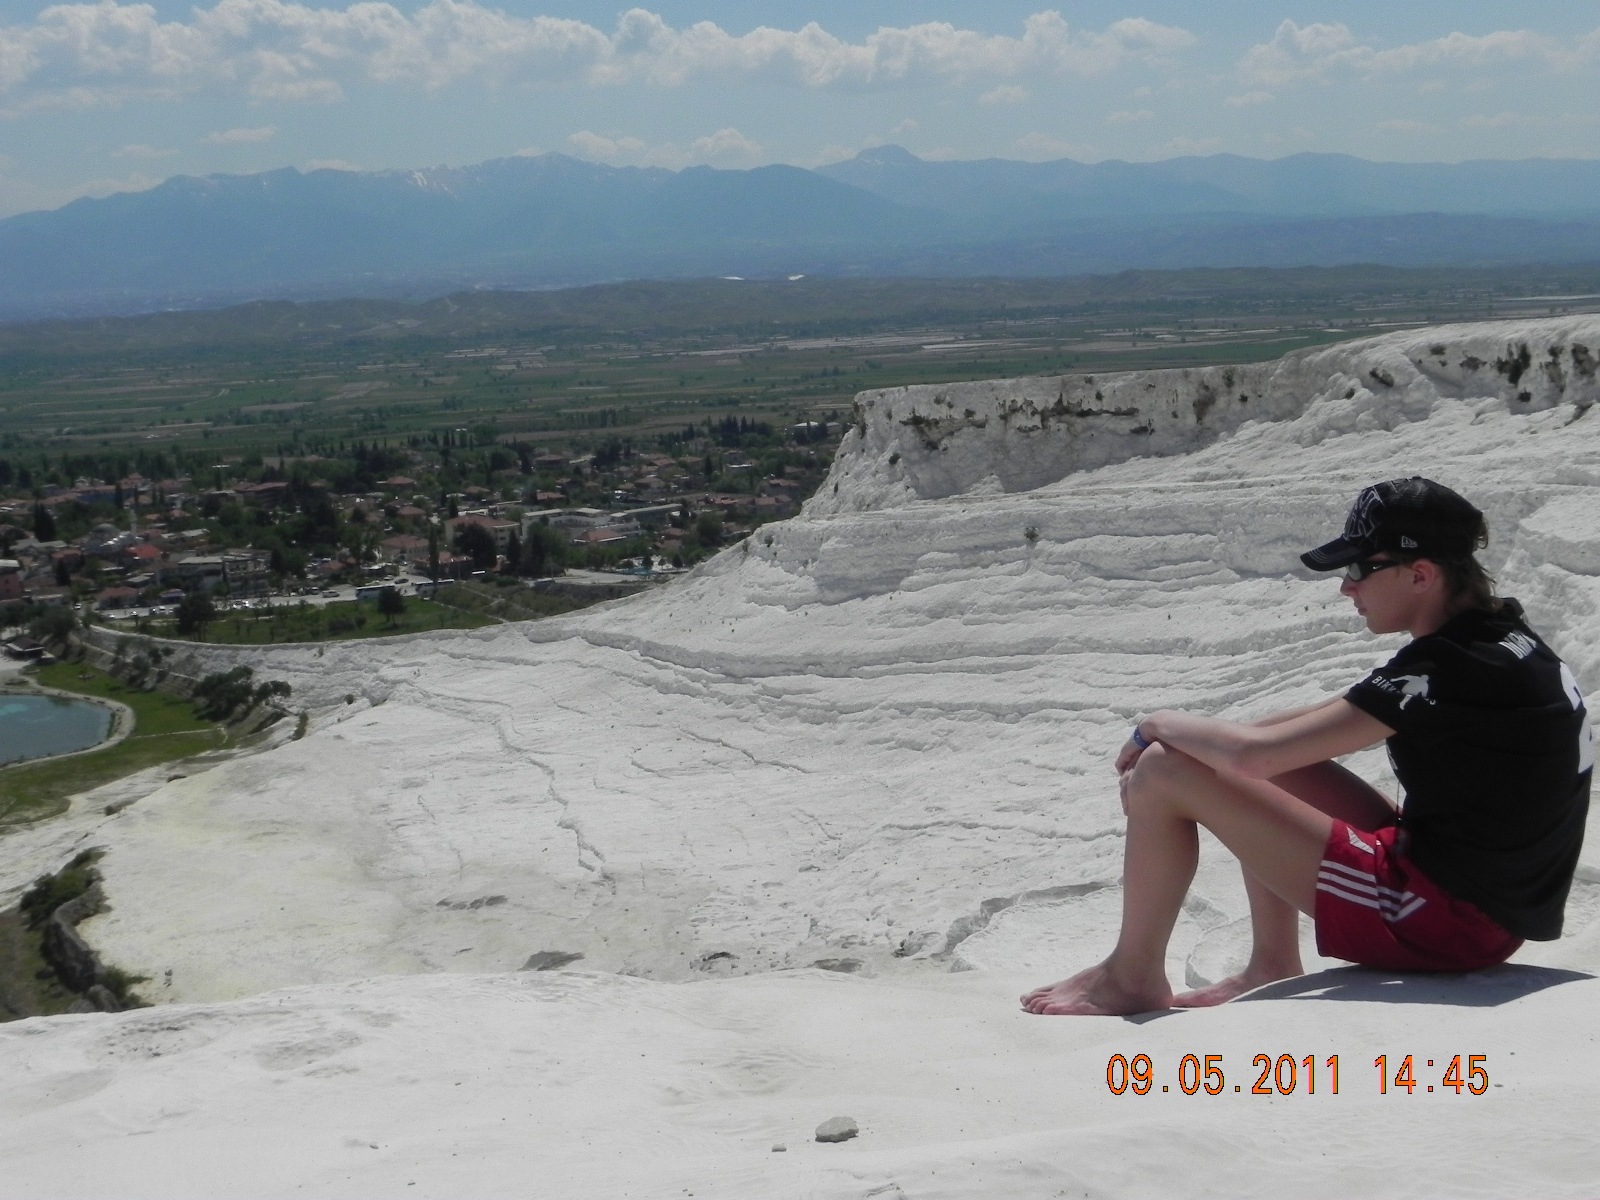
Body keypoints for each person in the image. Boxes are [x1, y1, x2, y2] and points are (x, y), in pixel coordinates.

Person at [1022, 477, 1593, 1016]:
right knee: (1246, 757)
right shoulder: (1495, 639)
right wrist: (1216, 740)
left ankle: (1130, 978)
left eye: (1361, 568)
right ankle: (1271, 963)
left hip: (1444, 922)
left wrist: (1158, 724)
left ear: (1420, 574)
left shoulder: (1445, 667)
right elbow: (1294, 733)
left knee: (1163, 771)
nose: (1347, 586)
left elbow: (1252, 757)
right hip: (1478, 898)